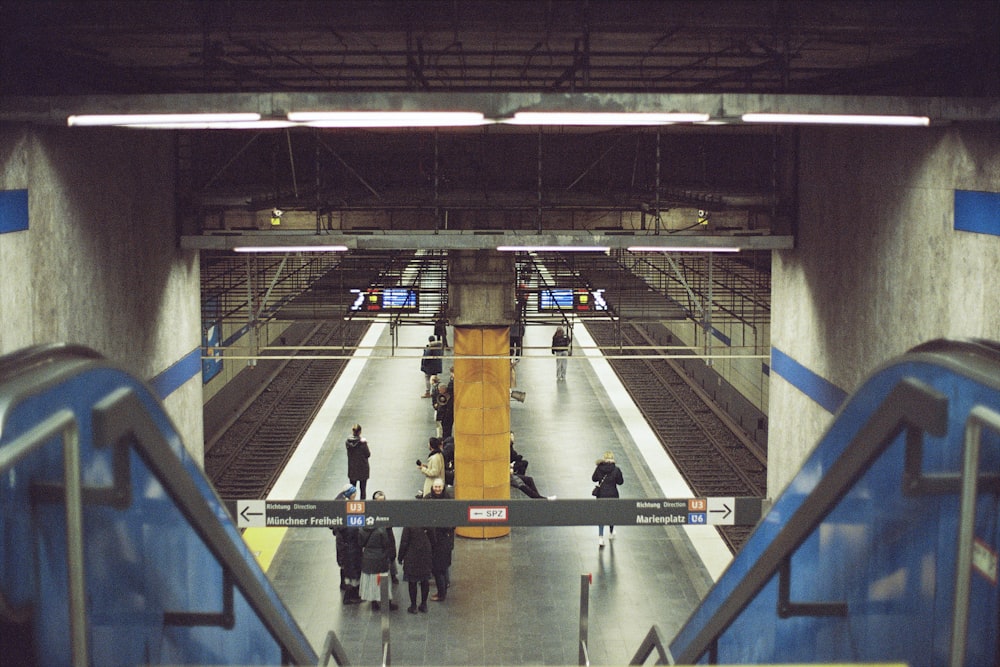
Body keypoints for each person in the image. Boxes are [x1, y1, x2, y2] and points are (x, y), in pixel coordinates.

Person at [358, 491, 398, 611]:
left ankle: (374, 603)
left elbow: (360, 542)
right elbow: (387, 543)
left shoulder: (363, 528)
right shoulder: (381, 530)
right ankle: (387, 603)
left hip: (368, 559)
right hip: (380, 559)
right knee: (383, 581)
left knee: (372, 582)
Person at [331, 484, 362, 604]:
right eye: (354, 495)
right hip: (348, 546)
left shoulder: (339, 501)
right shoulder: (342, 507)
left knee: (346, 567)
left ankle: (344, 585)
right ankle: (349, 596)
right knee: (351, 571)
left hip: (344, 545)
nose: (355, 497)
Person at [423, 479, 455, 601]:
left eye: (439, 487)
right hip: (440, 541)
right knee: (443, 566)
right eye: (435, 486)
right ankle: (445, 586)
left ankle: (442, 591)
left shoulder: (448, 500)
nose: (437, 489)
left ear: (443, 487)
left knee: (439, 569)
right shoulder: (427, 498)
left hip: (440, 542)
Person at [397, 525, 434, 613]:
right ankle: (424, 605)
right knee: (425, 580)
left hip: (412, 556)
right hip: (425, 554)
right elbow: (433, 539)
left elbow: (404, 542)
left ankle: (413, 606)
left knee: (412, 581)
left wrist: (400, 557)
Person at [592, 450, 624, 546]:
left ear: (604, 459)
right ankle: (611, 532)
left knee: (601, 516)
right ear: (612, 458)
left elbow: (593, 478)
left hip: (601, 495)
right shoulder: (616, 469)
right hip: (613, 494)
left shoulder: (599, 468)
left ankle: (601, 538)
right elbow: (620, 482)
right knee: (612, 514)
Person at [345, 423, 371, 499]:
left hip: (352, 469)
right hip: (363, 469)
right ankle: (362, 508)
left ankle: (350, 507)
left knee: (351, 491)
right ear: (360, 432)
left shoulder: (348, 442)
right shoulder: (363, 443)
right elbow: (368, 454)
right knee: (363, 490)